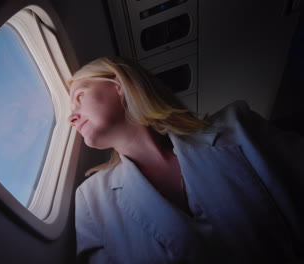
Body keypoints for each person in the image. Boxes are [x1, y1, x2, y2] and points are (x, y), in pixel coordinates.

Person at [67, 56, 304, 263]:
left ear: (118, 84)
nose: (71, 117)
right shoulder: (89, 199)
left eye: (79, 96)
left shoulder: (238, 125)